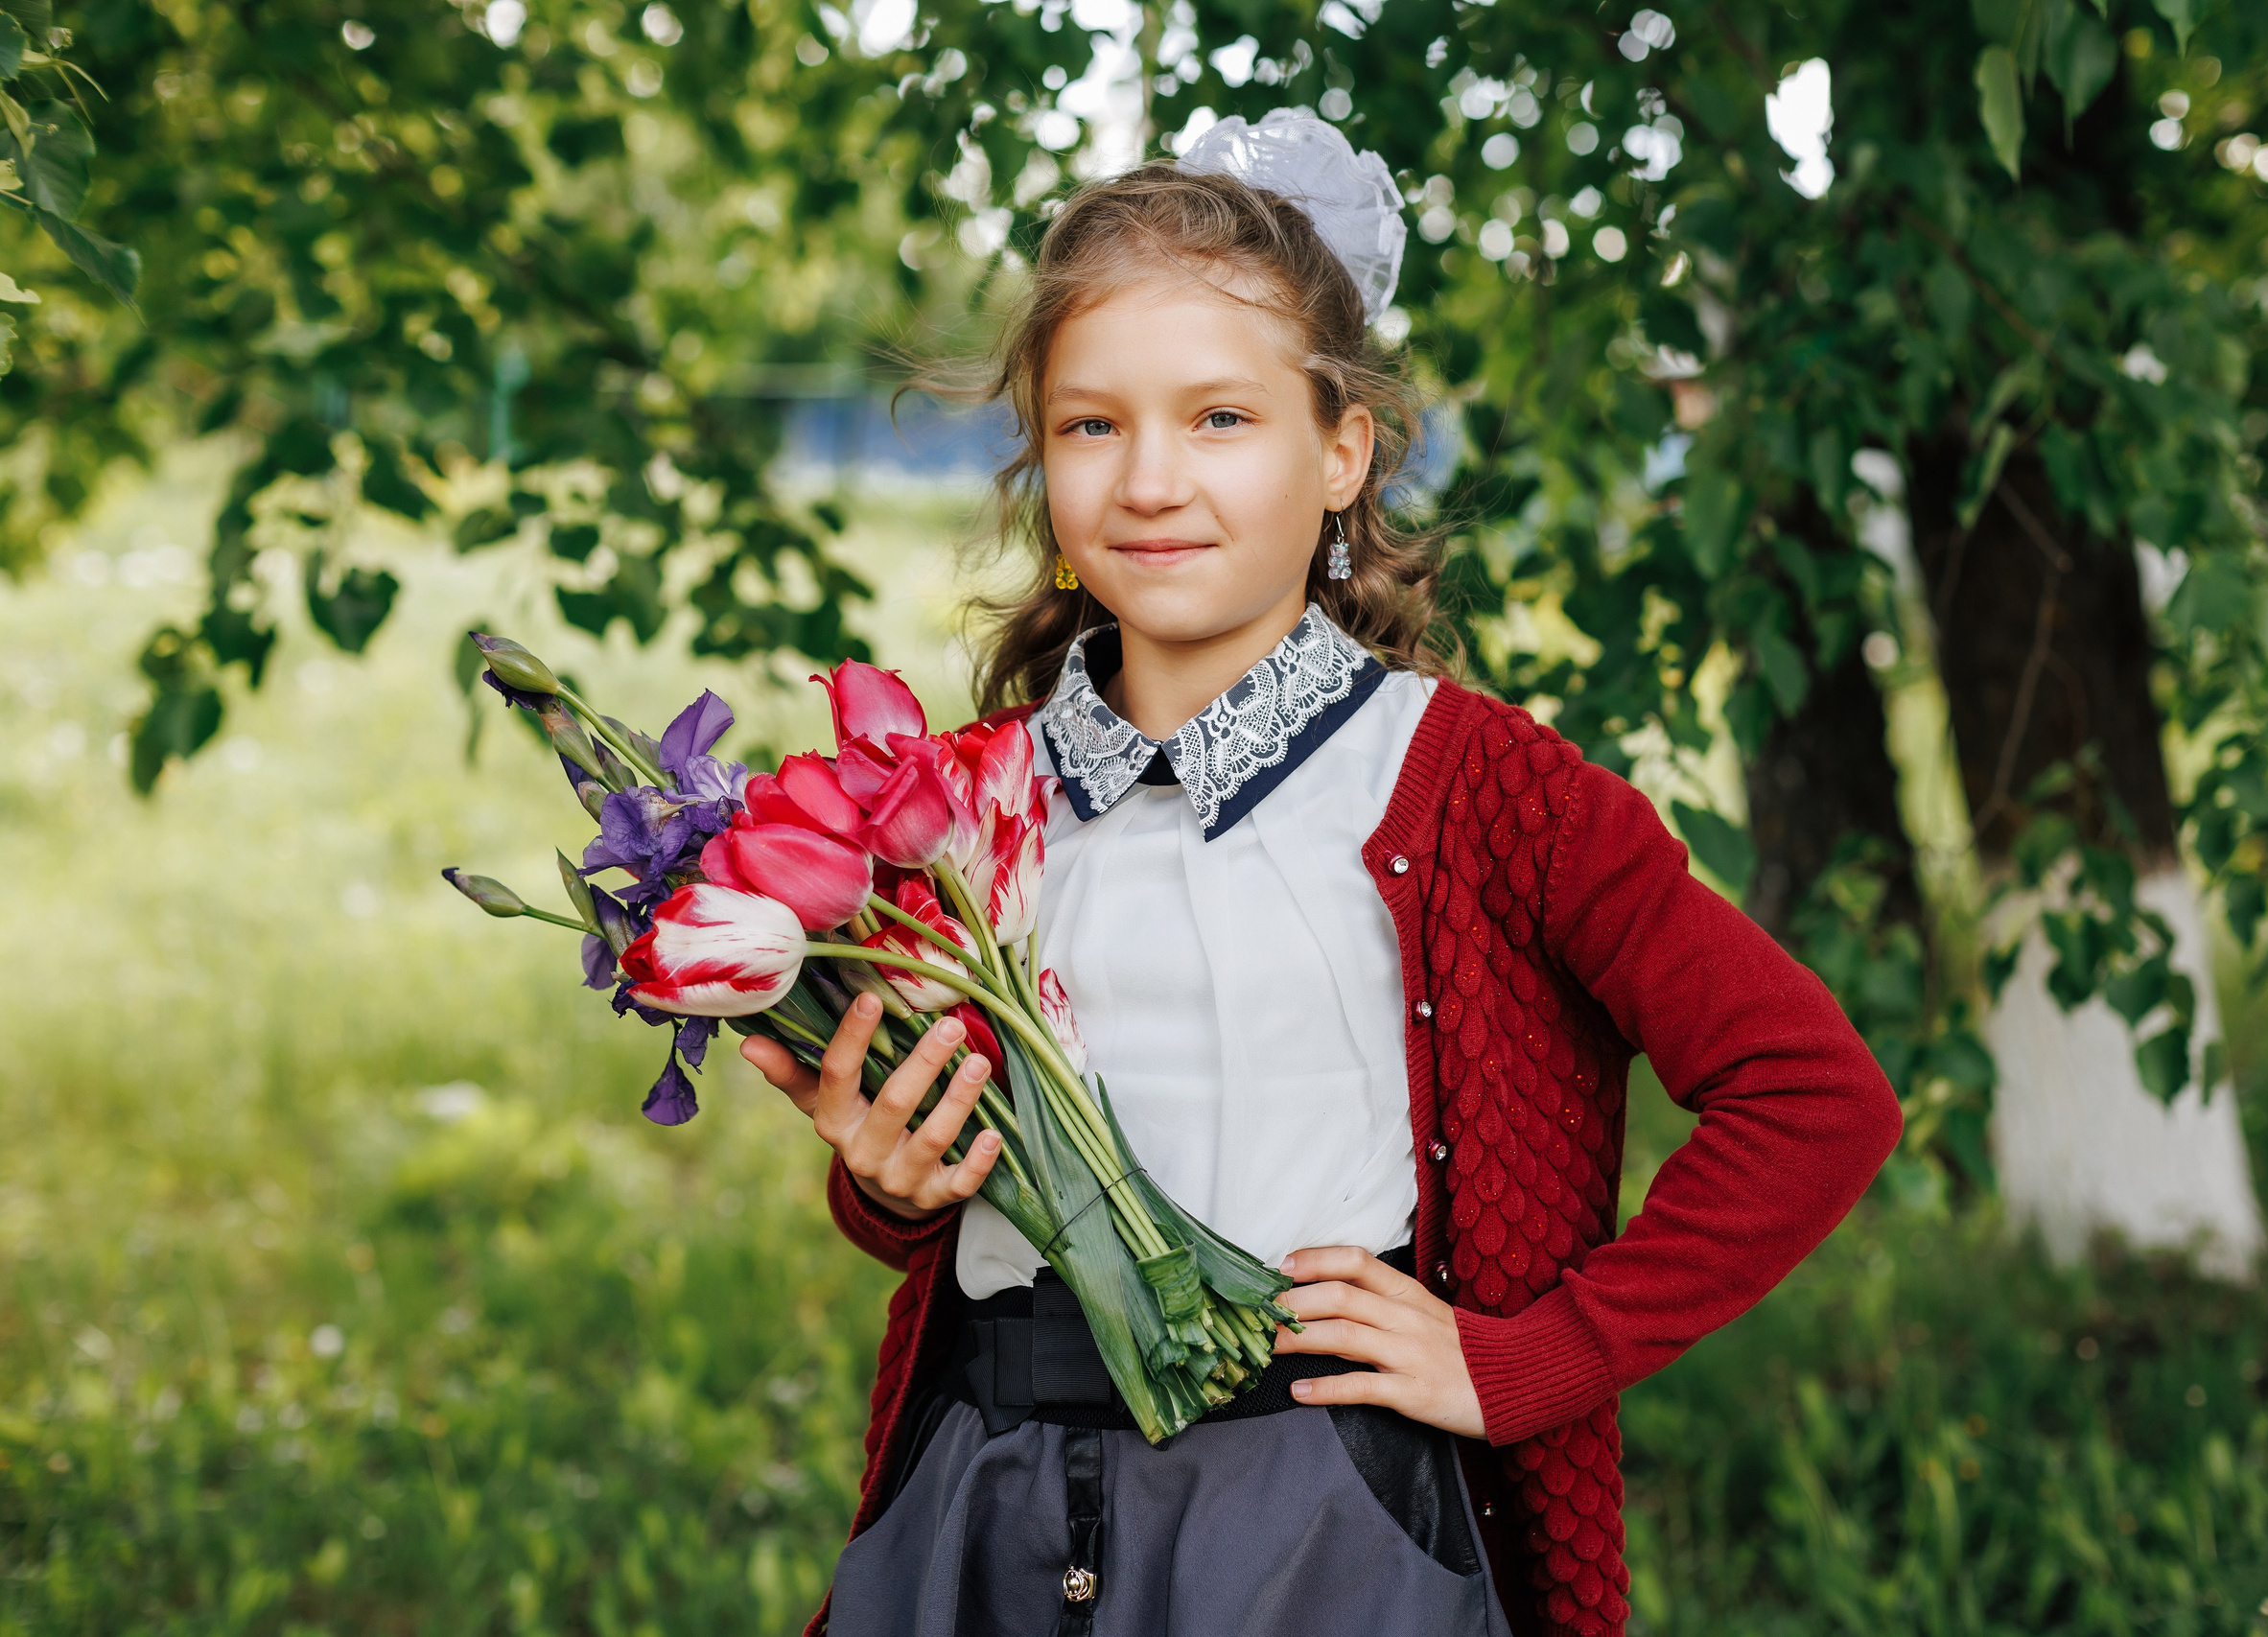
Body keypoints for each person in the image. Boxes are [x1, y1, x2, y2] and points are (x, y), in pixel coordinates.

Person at [741, 110, 1903, 1637]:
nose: (1150, 480)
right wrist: (889, 1186)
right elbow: (956, 1198)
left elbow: (1816, 1097)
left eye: (1220, 418)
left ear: (1341, 451)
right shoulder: (959, 803)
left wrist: (1533, 1359)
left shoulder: (1477, 792)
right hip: (985, 1507)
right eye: (1092, 426)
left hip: (1318, 1525)